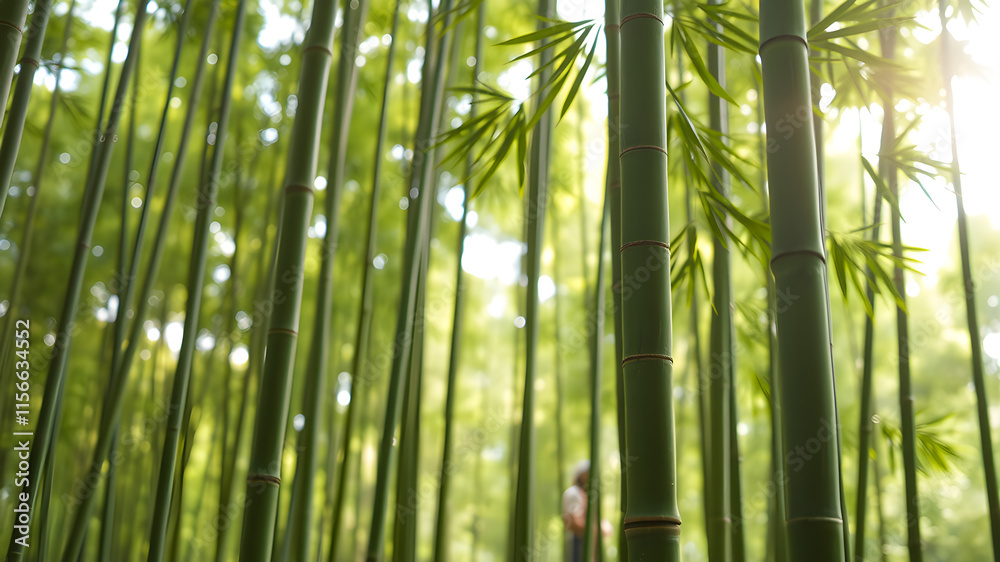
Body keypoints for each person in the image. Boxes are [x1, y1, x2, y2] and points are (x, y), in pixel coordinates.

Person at [562, 460, 612, 562]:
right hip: (577, 541)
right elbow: (573, 523)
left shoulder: (587, 494)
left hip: (586, 542)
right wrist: (599, 529)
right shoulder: (574, 493)